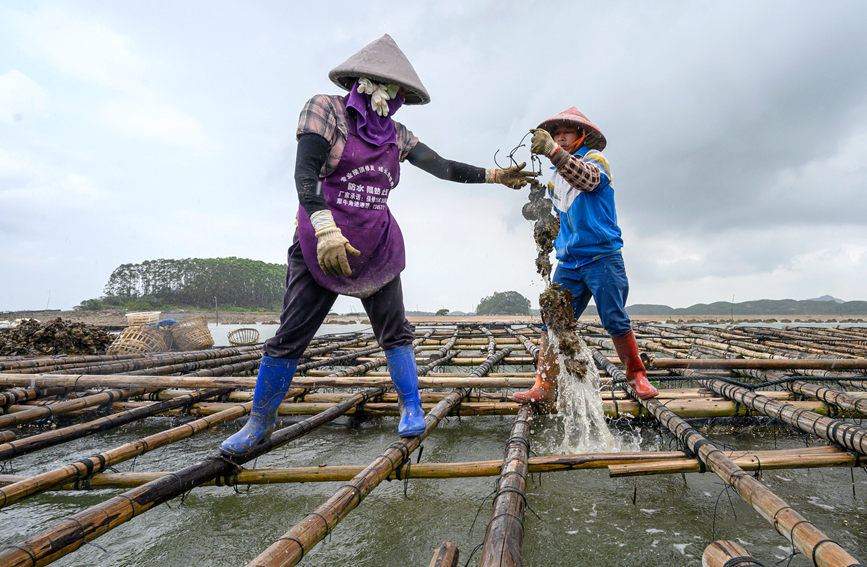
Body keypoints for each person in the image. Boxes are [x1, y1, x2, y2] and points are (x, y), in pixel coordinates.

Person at [220, 34, 534, 459]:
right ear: (362, 82)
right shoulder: (325, 110)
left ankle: (411, 405)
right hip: (323, 242)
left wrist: (495, 176)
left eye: (398, 92)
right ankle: (259, 421)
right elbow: (305, 174)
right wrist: (325, 226)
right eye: (386, 88)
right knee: (291, 334)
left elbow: (442, 167)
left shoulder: (397, 135)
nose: (391, 97)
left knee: (395, 331)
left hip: (377, 245)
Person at [512, 107, 658, 403]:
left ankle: (636, 375)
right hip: (569, 261)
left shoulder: (596, 160)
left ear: (581, 135)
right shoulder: (555, 175)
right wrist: (537, 208)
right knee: (552, 321)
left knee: (614, 317)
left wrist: (552, 151)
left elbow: (587, 180)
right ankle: (544, 385)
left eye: (566, 133)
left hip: (602, 256)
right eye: (555, 135)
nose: (560, 138)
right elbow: (557, 217)